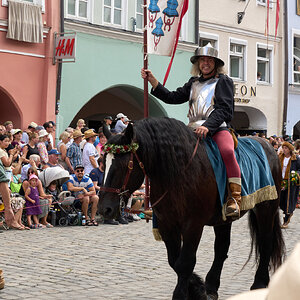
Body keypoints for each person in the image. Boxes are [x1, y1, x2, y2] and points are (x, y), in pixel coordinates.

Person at [141, 43, 242, 218]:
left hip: (217, 128)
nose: (206, 63)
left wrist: (208, 126)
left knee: (227, 151)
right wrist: (153, 81)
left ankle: (235, 197)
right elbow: (172, 97)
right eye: (203, 60)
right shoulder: (193, 83)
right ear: (198, 63)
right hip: (192, 129)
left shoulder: (223, 81)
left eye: (209, 60)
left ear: (215, 63)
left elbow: (225, 110)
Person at [279, 141, 300, 228]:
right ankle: (287, 213)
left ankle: (286, 219)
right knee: (281, 200)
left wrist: (296, 174)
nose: (284, 150)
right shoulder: (280, 157)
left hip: (291, 182)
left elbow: (299, 169)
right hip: (281, 181)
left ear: (290, 149)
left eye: (286, 148)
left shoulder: (296, 158)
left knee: (288, 201)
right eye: (283, 148)